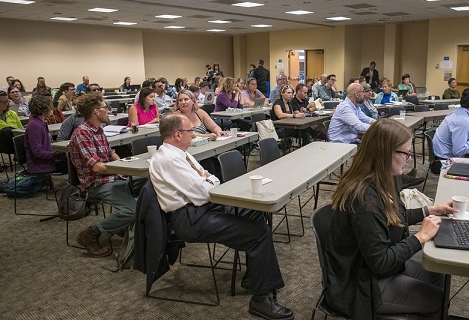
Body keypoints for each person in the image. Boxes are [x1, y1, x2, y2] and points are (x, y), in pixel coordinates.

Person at [149, 113, 294, 320]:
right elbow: (203, 192)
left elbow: (209, 180)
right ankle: (260, 300)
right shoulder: (170, 159)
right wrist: (206, 180)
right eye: (190, 131)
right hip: (190, 219)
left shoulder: (182, 153)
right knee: (260, 233)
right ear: (178, 135)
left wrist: (206, 179)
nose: (195, 135)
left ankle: (254, 276)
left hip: (202, 209)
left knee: (254, 211)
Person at [326, 118, 455, 319]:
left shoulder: (385, 178)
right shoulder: (365, 201)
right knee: (439, 298)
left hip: (376, 271)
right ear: (385, 153)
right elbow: (380, 261)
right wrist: (419, 237)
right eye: (406, 153)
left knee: (439, 274)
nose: (409, 159)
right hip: (364, 285)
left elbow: (394, 217)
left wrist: (430, 210)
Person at [69, 93, 138, 258]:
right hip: (96, 184)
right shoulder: (82, 134)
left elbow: (110, 152)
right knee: (132, 210)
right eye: (105, 108)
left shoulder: (98, 130)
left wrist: (124, 166)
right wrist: (123, 170)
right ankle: (91, 234)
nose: (108, 111)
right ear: (96, 111)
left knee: (150, 184)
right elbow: (98, 168)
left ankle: (122, 225)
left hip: (111, 177)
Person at [433, 87, 469, 170]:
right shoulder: (462, 121)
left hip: (445, 155)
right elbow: (459, 152)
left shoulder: (462, 113)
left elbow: (468, 138)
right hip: (445, 161)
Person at [25, 95, 66, 174]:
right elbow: (37, 152)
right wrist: (56, 155)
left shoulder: (42, 122)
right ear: (45, 108)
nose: (52, 110)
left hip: (47, 162)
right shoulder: (34, 126)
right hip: (41, 166)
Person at [0, 90, 23, 172]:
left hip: (13, 138)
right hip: (0, 140)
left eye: (7, 101)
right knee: (6, 131)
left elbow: (20, 127)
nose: (5, 104)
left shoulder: (12, 113)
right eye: (2, 102)